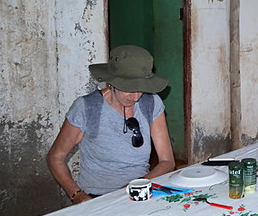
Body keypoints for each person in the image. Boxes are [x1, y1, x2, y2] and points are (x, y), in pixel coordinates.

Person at [47, 45, 176, 204]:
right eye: (128, 89)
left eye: (140, 89)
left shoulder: (151, 103)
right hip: (96, 197)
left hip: (140, 190)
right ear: (112, 82)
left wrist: (135, 185)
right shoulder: (87, 108)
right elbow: (55, 157)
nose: (135, 97)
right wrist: (76, 195)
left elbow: (167, 161)